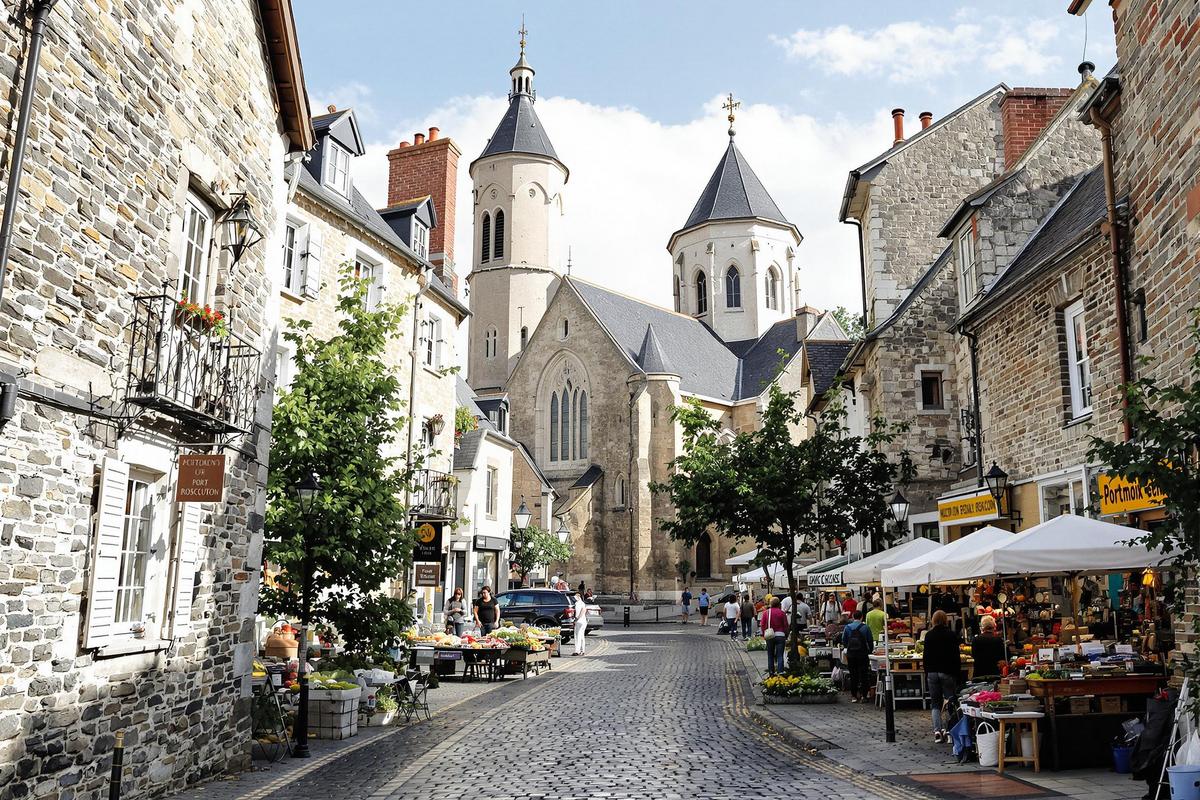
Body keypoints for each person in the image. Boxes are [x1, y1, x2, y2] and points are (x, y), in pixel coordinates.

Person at [924, 609, 963, 743]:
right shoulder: (951, 635)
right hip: (947, 672)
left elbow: (926, 656)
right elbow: (955, 656)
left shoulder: (929, 635)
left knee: (935, 703)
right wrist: (957, 673)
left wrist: (927, 672)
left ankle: (937, 731)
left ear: (933, 620)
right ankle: (948, 729)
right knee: (949, 702)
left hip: (932, 672)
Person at [842, 609, 874, 703]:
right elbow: (870, 641)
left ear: (852, 617)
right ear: (862, 617)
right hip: (863, 654)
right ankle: (864, 695)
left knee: (853, 674)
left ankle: (854, 696)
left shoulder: (847, 627)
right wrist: (870, 651)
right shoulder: (866, 627)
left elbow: (844, 640)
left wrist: (848, 647)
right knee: (864, 674)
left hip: (851, 654)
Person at [760, 598, 788, 676]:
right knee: (780, 655)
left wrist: (763, 634)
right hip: (781, 635)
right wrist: (786, 634)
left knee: (770, 655)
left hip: (770, 635)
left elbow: (762, 625)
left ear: (771, 604)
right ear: (779, 604)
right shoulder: (782, 613)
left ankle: (771, 672)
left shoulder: (766, 613)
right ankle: (780, 672)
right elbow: (786, 625)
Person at [572, 591, 589, 655]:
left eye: (576, 596)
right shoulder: (582, 603)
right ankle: (582, 650)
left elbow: (583, 610)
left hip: (579, 621)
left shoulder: (578, 603)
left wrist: (577, 618)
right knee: (581, 636)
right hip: (583, 621)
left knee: (577, 636)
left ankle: (577, 651)